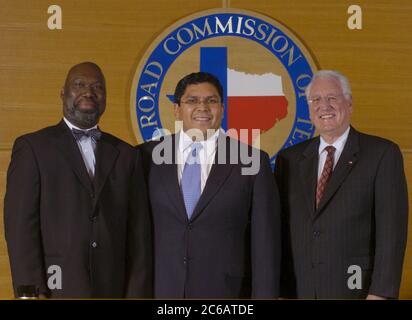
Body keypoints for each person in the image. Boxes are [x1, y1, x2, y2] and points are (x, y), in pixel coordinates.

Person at [4, 62, 152, 298]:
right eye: (79, 85)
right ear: (63, 93)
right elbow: (20, 227)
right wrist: (29, 294)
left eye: (97, 87)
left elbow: (138, 236)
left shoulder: (127, 155)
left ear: (105, 98)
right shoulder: (33, 148)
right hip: (55, 291)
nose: (88, 92)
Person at [138, 72, 281, 298]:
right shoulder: (146, 157)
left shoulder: (251, 161)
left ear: (222, 108)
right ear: (176, 109)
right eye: (192, 100)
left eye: (211, 100)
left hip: (226, 294)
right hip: (161, 291)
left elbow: (265, 247)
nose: (202, 107)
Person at [275, 70, 408, 299]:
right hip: (299, 290)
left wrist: (380, 293)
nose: (323, 106)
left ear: (349, 103)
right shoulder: (289, 159)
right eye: (315, 99)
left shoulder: (382, 154)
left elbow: (391, 232)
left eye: (332, 98)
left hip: (356, 290)